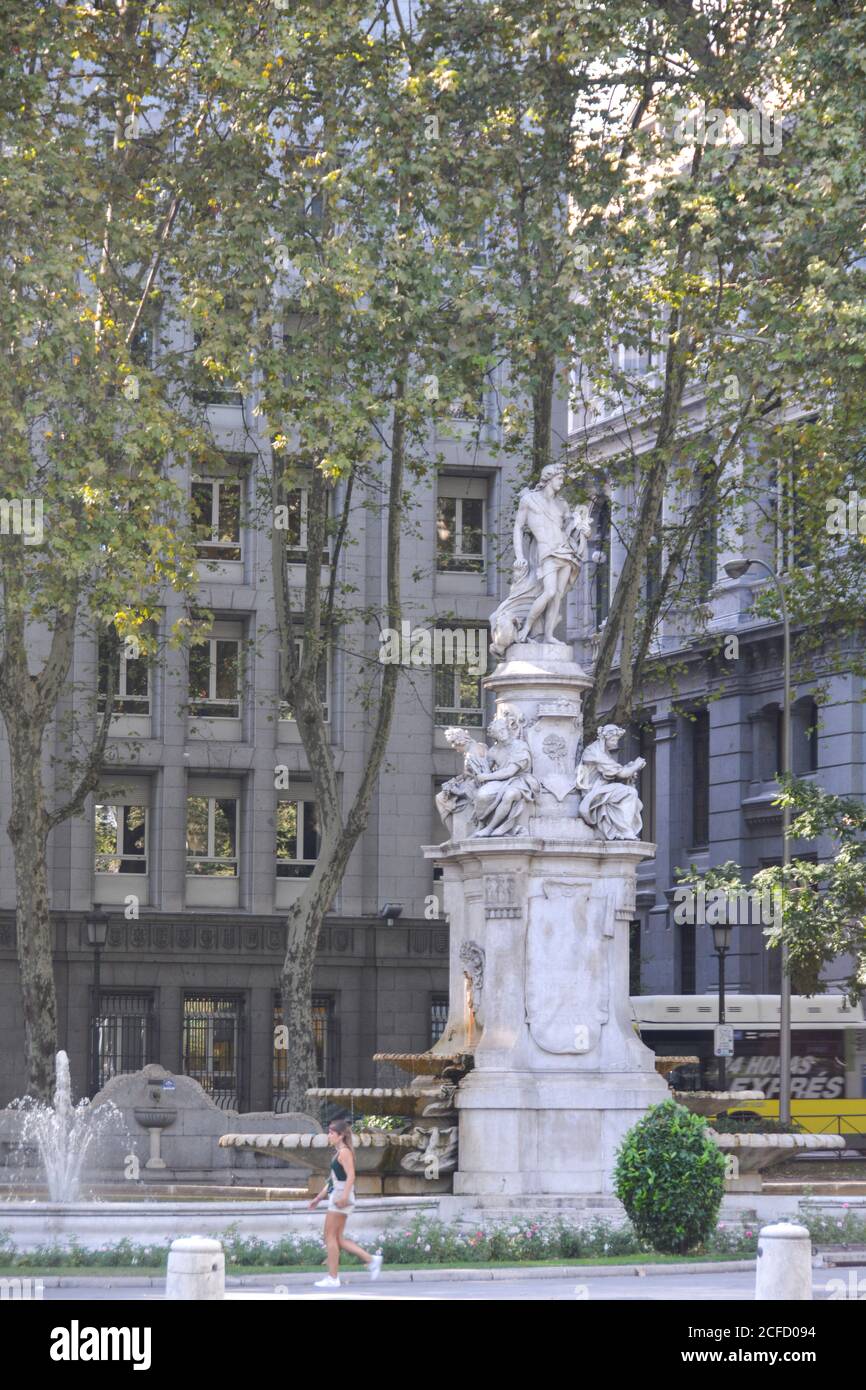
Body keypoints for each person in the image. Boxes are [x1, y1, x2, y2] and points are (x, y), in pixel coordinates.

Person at [309, 1119, 383, 1289]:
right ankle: (372, 1260)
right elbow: (333, 1181)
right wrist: (318, 1198)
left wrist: (343, 1197)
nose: (329, 1135)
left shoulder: (344, 1153)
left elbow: (351, 1176)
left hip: (341, 1198)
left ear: (341, 1135)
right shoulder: (339, 1152)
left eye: (331, 1133)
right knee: (338, 1239)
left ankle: (333, 1278)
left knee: (329, 1237)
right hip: (338, 1195)